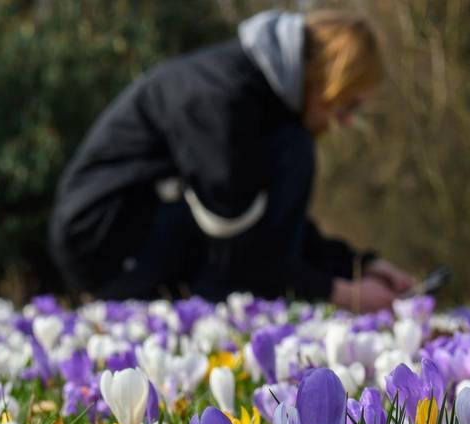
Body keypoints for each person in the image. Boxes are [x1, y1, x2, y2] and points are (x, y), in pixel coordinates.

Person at [48, 9, 415, 311]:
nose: (345, 121)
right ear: (328, 78)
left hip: (126, 226)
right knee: (294, 152)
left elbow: (273, 230)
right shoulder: (223, 101)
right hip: (102, 242)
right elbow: (251, 255)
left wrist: (359, 265)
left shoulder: (253, 93)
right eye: (347, 104)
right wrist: (342, 293)